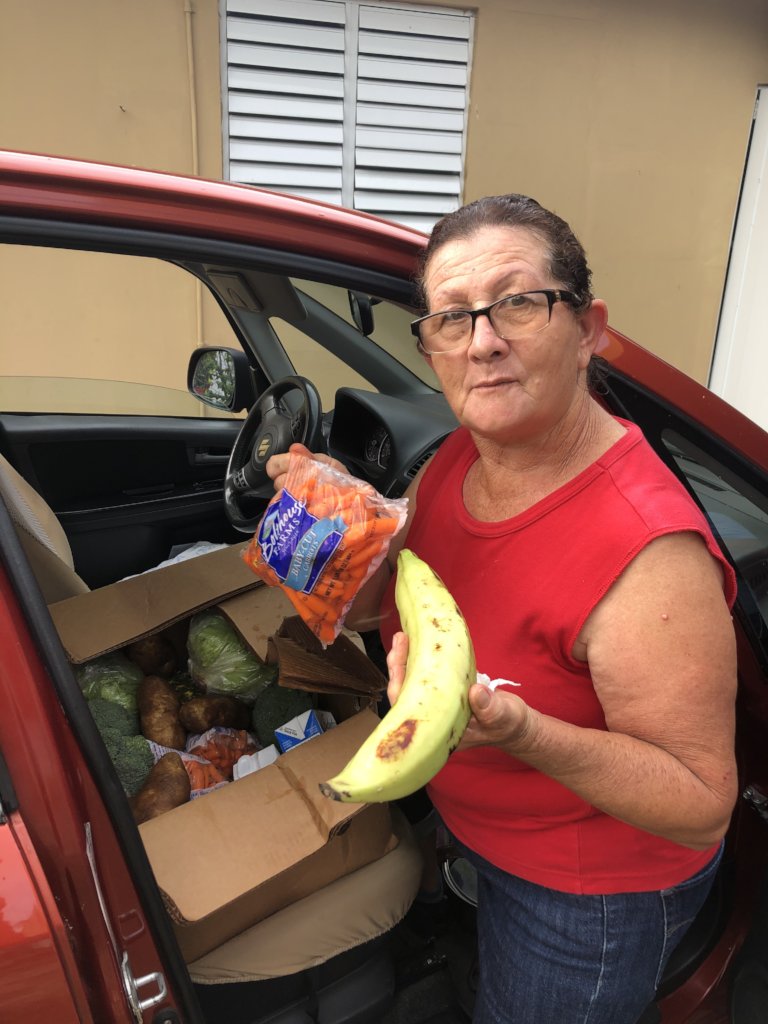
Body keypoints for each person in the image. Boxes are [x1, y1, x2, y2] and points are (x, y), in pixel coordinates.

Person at [267, 194, 738, 1024]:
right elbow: (406, 592)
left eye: (517, 303)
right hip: (476, 832)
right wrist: (333, 536)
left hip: (584, 901)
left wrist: (517, 731)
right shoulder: (462, 452)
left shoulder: (650, 554)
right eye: (450, 318)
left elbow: (700, 801)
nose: (482, 342)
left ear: (589, 328)